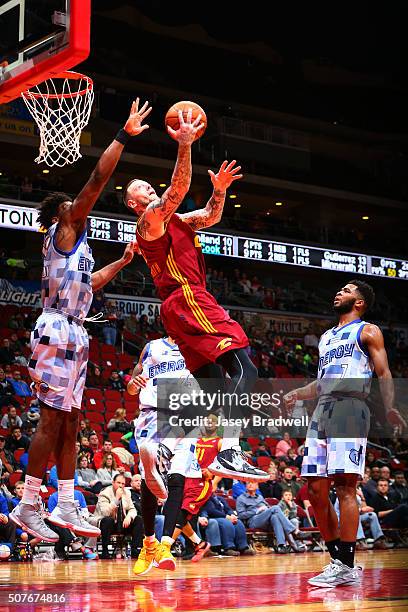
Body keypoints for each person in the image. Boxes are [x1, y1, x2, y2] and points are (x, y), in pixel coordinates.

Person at [9, 97, 151, 543]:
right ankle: (28, 505)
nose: (80, 208)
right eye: (72, 206)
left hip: (76, 330)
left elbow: (91, 286)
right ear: (58, 217)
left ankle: (67, 503)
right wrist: (123, 135)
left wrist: (124, 261)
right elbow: (95, 179)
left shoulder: (76, 250)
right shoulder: (63, 229)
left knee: (70, 423)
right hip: (56, 328)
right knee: (51, 422)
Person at [124, 111, 266, 484]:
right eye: (143, 191)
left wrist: (219, 189)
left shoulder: (176, 221)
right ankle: (230, 451)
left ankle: (171, 443)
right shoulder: (150, 221)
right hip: (188, 296)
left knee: (213, 383)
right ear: (133, 204)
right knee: (245, 369)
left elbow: (209, 216)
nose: (150, 192)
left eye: (149, 188)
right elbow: (178, 188)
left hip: (177, 307)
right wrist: (185, 144)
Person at [284, 280, 407, 588]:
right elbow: (321, 382)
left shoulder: (367, 331)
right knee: (315, 490)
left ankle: (345, 563)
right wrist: (297, 393)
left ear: (360, 302)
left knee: (345, 486)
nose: (339, 291)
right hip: (322, 411)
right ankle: (338, 560)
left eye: (347, 289)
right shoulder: (326, 337)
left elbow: (384, 372)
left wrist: (389, 406)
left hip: (350, 409)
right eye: (339, 288)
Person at [129, 336, 203, 574]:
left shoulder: (195, 346)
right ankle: (148, 543)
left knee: (177, 478)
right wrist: (134, 381)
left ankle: (164, 546)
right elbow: (131, 387)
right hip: (152, 414)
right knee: (150, 480)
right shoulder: (151, 346)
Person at [236, 481, 306, 553]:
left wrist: (266, 509)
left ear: (257, 486)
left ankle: (281, 546)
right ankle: (295, 531)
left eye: (252, 483)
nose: (250, 484)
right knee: (275, 508)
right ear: (246, 486)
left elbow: (268, 506)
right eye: (248, 483)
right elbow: (241, 515)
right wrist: (256, 511)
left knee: (275, 517)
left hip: (266, 520)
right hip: (253, 521)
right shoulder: (241, 498)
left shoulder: (260, 497)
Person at [87, 473, 143, 559]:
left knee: (138, 519)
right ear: (113, 483)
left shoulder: (127, 492)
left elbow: (132, 509)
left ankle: (135, 551)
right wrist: (116, 499)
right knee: (108, 520)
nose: (121, 486)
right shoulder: (104, 493)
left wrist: (129, 517)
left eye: (123, 484)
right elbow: (105, 513)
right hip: (106, 524)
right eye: (118, 483)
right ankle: (105, 552)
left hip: (122, 523)